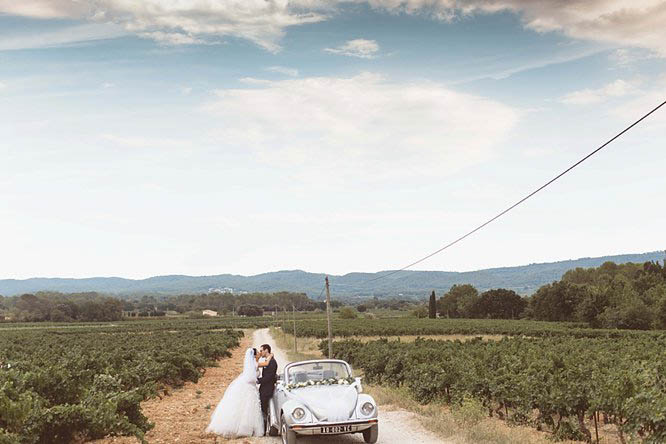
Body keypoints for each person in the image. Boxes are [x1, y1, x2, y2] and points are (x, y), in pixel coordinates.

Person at [205, 347, 273, 437]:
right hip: (250, 388)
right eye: (258, 352)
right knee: (248, 407)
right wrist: (271, 355)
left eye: (261, 351)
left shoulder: (252, 362)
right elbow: (266, 363)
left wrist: (260, 357)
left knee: (248, 408)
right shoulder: (254, 364)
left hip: (251, 387)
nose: (260, 353)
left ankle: (248, 427)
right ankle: (245, 428)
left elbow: (258, 362)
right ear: (254, 355)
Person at [256, 343, 278, 434]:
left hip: (267, 389)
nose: (260, 352)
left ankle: (264, 430)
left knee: (264, 410)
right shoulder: (267, 360)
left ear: (266, 350)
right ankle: (263, 429)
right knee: (262, 409)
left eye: (261, 350)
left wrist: (258, 380)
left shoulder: (272, 362)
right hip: (263, 388)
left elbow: (269, 377)